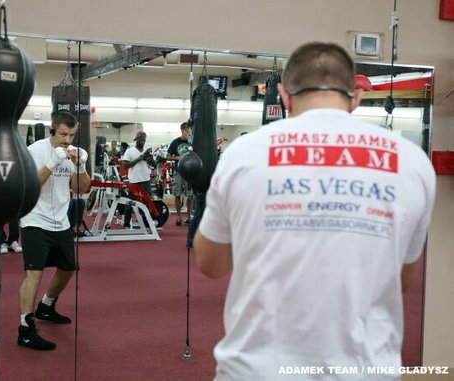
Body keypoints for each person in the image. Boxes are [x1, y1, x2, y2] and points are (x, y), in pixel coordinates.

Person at [193, 42, 436, 381]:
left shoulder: (243, 153)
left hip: (258, 371)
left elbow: (211, 264)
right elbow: (401, 278)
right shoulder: (412, 162)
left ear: (283, 95)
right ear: (355, 98)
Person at [17, 111, 91, 350]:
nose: (67, 139)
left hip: (61, 220)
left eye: (71, 135)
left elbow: (81, 189)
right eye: (62, 134)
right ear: (52, 129)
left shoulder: (73, 153)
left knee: (68, 268)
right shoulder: (35, 150)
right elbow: (29, 184)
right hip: (35, 219)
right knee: (34, 273)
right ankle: (25, 329)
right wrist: (52, 162)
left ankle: (46, 306)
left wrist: (80, 166)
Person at [122, 131, 156, 228]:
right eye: (141, 139)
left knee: (148, 204)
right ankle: (126, 224)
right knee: (129, 204)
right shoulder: (129, 151)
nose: (143, 141)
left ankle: (147, 223)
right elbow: (125, 166)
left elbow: (155, 164)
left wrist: (150, 160)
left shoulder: (147, 151)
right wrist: (139, 159)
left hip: (146, 181)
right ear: (136, 139)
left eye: (144, 139)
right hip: (134, 182)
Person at [167, 122, 193, 225]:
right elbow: (168, 156)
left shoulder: (192, 142)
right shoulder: (175, 142)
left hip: (190, 171)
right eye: (188, 131)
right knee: (177, 194)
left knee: (190, 195)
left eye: (190, 131)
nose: (189, 133)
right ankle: (178, 216)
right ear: (183, 130)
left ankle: (189, 216)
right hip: (179, 171)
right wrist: (178, 157)